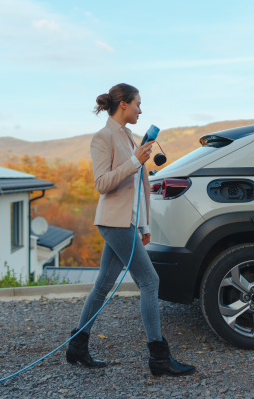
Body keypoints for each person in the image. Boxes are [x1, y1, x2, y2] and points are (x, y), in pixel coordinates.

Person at [66, 83, 196, 377]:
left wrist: (144, 224)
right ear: (123, 104)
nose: (141, 110)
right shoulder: (103, 138)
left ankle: (77, 346)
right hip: (113, 221)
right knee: (150, 281)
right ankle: (159, 358)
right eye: (138, 103)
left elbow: (140, 186)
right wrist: (134, 161)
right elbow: (102, 183)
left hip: (127, 222)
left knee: (103, 284)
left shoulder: (128, 137)